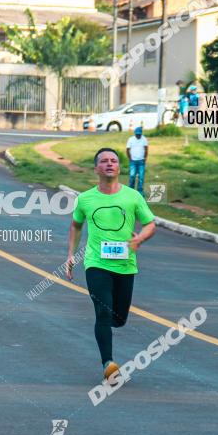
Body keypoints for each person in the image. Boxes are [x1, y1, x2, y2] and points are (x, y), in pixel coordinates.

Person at [66, 147, 156, 384]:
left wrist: (140, 238)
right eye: (104, 161)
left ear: (119, 167)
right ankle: (109, 364)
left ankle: (111, 329)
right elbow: (75, 226)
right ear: (96, 168)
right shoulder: (85, 199)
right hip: (96, 263)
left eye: (113, 161)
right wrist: (71, 256)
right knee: (103, 311)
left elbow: (150, 224)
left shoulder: (133, 197)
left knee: (119, 318)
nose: (109, 164)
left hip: (126, 265)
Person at [126, 126, 148, 194]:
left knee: (141, 177)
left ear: (141, 134)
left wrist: (145, 158)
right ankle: (130, 191)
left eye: (139, 134)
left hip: (141, 161)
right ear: (135, 133)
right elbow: (127, 149)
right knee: (132, 176)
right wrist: (130, 158)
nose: (138, 135)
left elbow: (146, 149)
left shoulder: (144, 139)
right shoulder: (131, 139)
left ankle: (140, 191)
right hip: (133, 161)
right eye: (137, 134)